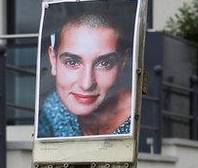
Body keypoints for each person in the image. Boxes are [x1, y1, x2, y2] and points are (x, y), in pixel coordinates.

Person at [38, 10, 133, 138]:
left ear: (123, 63)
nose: (86, 84)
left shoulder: (139, 115)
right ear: (53, 60)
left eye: (104, 64)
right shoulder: (53, 108)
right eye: (72, 62)